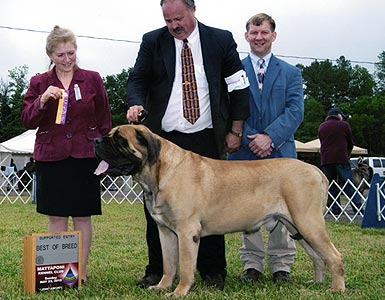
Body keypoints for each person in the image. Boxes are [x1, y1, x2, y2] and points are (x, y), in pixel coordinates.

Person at [126, 0, 250, 291]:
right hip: (163, 141)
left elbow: (238, 87)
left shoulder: (220, 40)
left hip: (206, 135)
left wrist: (235, 129)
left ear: (192, 10)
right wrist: (135, 102)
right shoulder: (152, 41)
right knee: (157, 209)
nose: (173, 26)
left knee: (211, 204)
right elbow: (137, 80)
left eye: (178, 19)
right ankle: (158, 271)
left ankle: (213, 271)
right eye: (168, 21)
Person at [21, 26, 112, 283]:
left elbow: (104, 119)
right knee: (57, 216)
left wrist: (106, 153)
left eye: (71, 52)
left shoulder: (93, 79)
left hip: (85, 157)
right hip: (52, 157)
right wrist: (41, 101)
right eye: (61, 55)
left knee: (83, 215)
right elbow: (27, 120)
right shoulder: (38, 82)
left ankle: (79, 274)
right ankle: (61, 274)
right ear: (50, 55)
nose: (67, 59)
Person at [227, 13, 304, 283]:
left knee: (284, 210)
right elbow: (229, 108)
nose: (259, 37)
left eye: (264, 32)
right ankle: (252, 264)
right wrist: (250, 137)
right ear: (246, 36)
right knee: (246, 210)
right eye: (253, 32)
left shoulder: (292, 73)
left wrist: (270, 137)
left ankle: (282, 265)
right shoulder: (233, 70)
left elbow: (295, 112)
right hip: (244, 152)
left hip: (280, 153)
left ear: (273, 35)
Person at [318, 107, 362, 215]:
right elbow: (350, 142)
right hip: (341, 158)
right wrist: (348, 153)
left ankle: (335, 209)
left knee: (331, 185)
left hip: (326, 160)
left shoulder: (321, 127)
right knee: (348, 184)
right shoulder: (344, 125)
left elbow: (321, 141)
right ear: (339, 116)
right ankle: (357, 207)